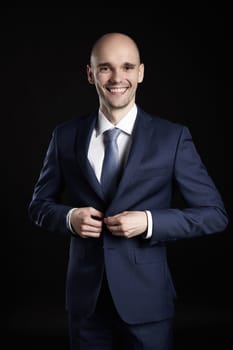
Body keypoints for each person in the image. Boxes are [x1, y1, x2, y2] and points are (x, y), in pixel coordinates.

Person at [28, 32, 228, 350]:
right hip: (85, 304)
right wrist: (69, 218)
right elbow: (38, 205)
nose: (117, 78)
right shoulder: (64, 136)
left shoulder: (172, 138)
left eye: (127, 67)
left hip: (148, 302)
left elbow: (215, 215)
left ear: (141, 73)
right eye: (105, 68)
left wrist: (149, 222)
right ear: (90, 73)